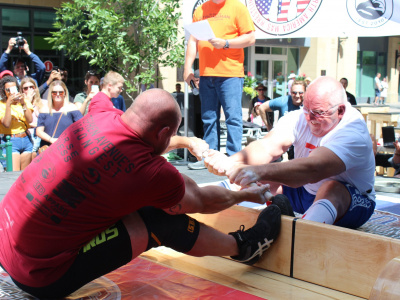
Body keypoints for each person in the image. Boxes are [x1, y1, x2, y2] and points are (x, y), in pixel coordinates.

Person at [0, 87, 281, 299]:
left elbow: (98, 97)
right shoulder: (150, 172)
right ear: (164, 133)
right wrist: (246, 195)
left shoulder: (101, 113)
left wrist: (186, 141)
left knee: (122, 202)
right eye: (173, 135)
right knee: (161, 220)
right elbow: (202, 200)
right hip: (40, 275)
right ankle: (244, 247)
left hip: (7, 244)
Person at [205, 76, 376, 229]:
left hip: (350, 200)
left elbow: (311, 170)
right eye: (306, 109)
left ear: (340, 111)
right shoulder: (300, 116)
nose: (309, 119)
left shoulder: (353, 131)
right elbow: (267, 146)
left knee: (331, 188)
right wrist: (230, 163)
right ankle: (204, 203)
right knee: (254, 177)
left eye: (317, 113)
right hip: (304, 192)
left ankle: (298, 236)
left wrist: (252, 171)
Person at [184, 0, 256, 170]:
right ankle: (209, 158)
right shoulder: (201, 10)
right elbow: (193, 41)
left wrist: (226, 43)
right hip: (206, 73)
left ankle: (233, 159)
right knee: (208, 118)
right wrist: (187, 67)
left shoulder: (237, 7)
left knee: (233, 118)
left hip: (230, 74)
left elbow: (251, 38)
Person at [36, 80, 82, 148]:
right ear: (51, 94)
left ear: (65, 93)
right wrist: (51, 140)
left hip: (67, 147)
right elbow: (39, 131)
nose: (57, 95)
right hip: (49, 148)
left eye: (60, 92)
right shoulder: (44, 110)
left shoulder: (72, 108)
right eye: (54, 92)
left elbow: (82, 126)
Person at [0, 76, 33, 171]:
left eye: (13, 89)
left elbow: (30, 120)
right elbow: (6, 124)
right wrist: (8, 105)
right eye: (8, 89)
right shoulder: (1, 104)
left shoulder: (24, 101)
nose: (11, 92)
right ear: (3, 90)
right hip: (11, 140)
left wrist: (23, 103)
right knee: (14, 174)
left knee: (24, 175)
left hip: (26, 139)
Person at [20, 77, 45, 160]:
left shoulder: (43, 103)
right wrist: (27, 101)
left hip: (40, 134)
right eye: (26, 88)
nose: (29, 90)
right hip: (27, 135)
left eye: (31, 87)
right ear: (22, 90)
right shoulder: (20, 105)